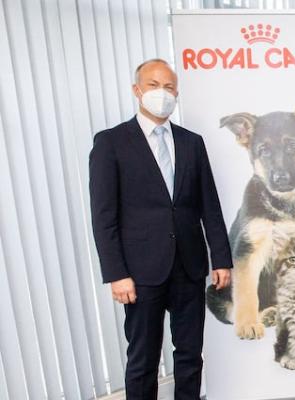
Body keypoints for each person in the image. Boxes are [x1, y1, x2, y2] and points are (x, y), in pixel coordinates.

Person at [89, 59, 232, 400]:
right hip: (140, 272)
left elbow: (209, 205)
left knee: (189, 356)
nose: (162, 93)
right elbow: (103, 216)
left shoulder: (192, 143)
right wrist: (116, 273)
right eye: (154, 86)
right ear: (137, 90)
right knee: (143, 360)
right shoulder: (111, 143)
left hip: (189, 266)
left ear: (177, 93)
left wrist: (221, 258)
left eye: (169, 87)